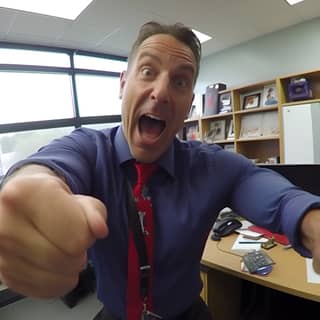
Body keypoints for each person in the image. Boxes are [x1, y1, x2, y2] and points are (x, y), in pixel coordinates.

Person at [1, 21, 320, 320]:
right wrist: (27, 193)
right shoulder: (89, 148)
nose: (162, 92)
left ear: (189, 104)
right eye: (148, 71)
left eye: (180, 81)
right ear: (123, 85)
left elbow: (272, 193)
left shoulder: (211, 165)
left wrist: (312, 221)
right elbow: (47, 168)